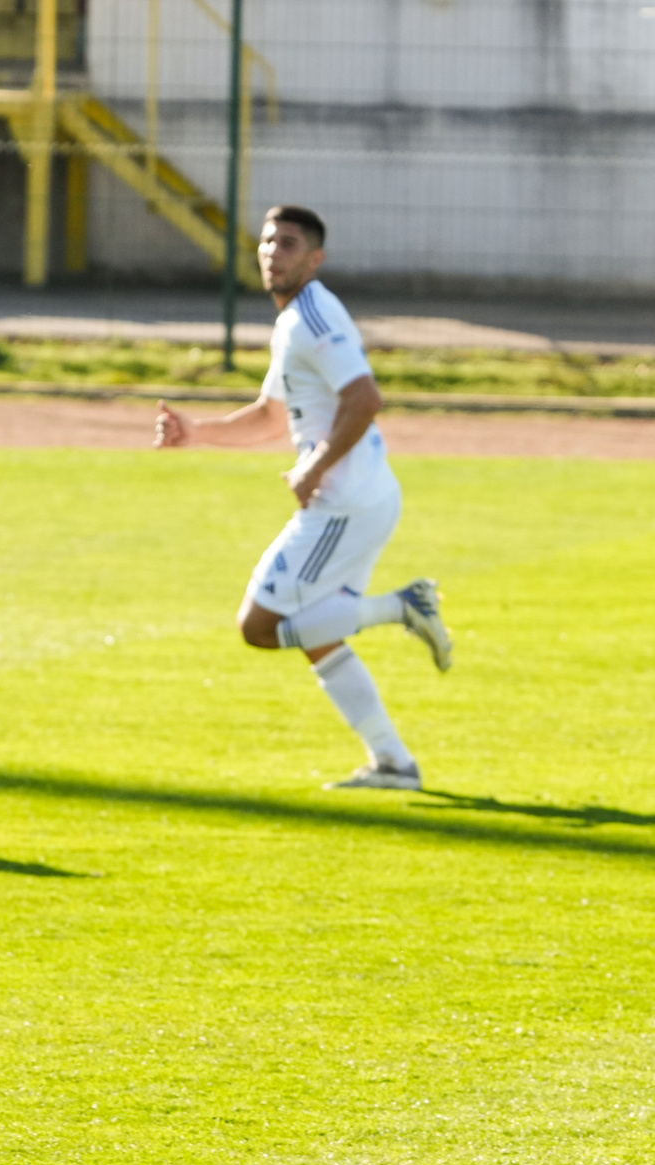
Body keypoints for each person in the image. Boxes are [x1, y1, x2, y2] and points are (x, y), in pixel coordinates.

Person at [154, 205, 453, 791]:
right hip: (362, 497)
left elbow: (365, 398)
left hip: (344, 503)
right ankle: (394, 763)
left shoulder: (313, 316)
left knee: (260, 626)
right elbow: (271, 415)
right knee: (318, 633)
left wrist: (314, 468)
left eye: (288, 244)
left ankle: (403, 605)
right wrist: (197, 432)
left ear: (314, 259)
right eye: (267, 242)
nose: (272, 253)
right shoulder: (294, 321)